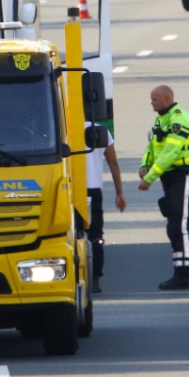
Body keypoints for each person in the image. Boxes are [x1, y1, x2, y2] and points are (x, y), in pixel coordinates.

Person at [137, 85, 189, 290]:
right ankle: (179, 271)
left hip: (183, 174)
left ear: (166, 99)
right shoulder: (161, 119)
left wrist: (150, 177)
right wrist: (146, 165)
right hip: (170, 176)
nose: (151, 102)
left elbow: (171, 153)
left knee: (180, 224)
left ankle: (184, 274)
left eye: (154, 99)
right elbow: (153, 146)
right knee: (173, 224)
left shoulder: (178, 120)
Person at [85, 116, 126, 294]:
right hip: (93, 190)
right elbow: (113, 163)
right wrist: (119, 192)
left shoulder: (59, 128)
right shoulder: (100, 131)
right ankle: (95, 279)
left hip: (66, 189)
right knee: (95, 235)